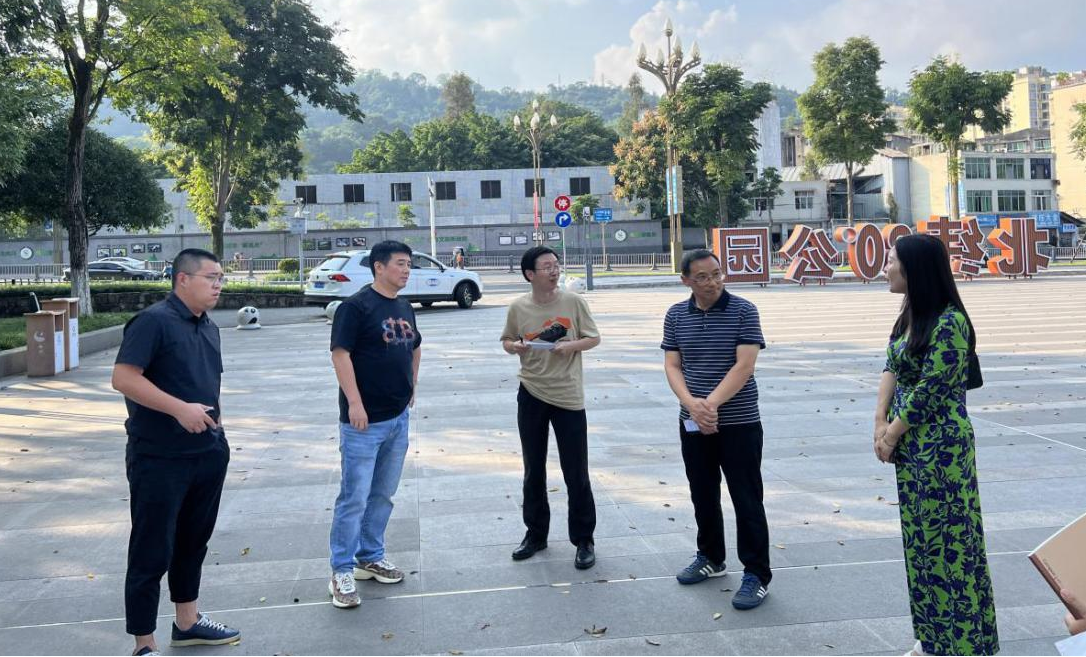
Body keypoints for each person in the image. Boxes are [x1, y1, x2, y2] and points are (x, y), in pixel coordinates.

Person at [111, 248, 239, 657]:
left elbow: (207, 384)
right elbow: (123, 378)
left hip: (206, 453)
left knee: (192, 543)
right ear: (183, 279)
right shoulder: (153, 322)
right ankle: (143, 643)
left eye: (221, 278)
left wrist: (218, 436)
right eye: (211, 277)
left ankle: (187, 623)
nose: (218, 285)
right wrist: (179, 409)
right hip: (159, 457)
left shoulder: (209, 327)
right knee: (151, 549)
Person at [876, 234, 998, 656]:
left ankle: (962, 643)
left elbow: (932, 389)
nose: (885, 269)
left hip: (942, 451)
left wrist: (892, 433)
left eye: (891, 261)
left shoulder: (950, 323)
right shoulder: (910, 315)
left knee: (950, 544)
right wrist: (879, 421)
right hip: (912, 449)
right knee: (922, 545)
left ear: (915, 269)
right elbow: (891, 365)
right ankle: (932, 638)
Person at [661, 249, 772, 611]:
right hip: (693, 421)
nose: (712, 283)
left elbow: (745, 366)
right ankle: (711, 556)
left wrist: (709, 404)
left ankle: (756, 574)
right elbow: (673, 365)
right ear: (686, 281)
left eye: (717, 274)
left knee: (746, 497)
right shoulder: (676, 315)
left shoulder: (743, 310)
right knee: (702, 492)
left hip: (739, 422)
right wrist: (692, 405)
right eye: (702, 277)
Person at [327, 240, 422, 609]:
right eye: (400, 263)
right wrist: (354, 403)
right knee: (354, 497)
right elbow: (341, 355)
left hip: (398, 418)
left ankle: (370, 556)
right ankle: (341, 570)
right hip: (363, 423)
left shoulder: (404, 306)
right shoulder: (355, 307)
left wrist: (412, 386)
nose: (406, 270)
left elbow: (415, 346)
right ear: (379, 267)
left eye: (409, 264)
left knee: (383, 494)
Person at [500, 246, 600, 570]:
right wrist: (515, 346)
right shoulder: (518, 307)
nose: (554, 271)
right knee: (533, 468)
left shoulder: (573, 302)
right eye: (547, 267)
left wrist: (570, 346)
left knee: (576, 471)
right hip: (531, 392)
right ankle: (535, 534)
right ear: (530, 274)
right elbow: (507, 340)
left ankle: (583, 539)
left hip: (568, 395)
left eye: (556, 265)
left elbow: (593, 337)